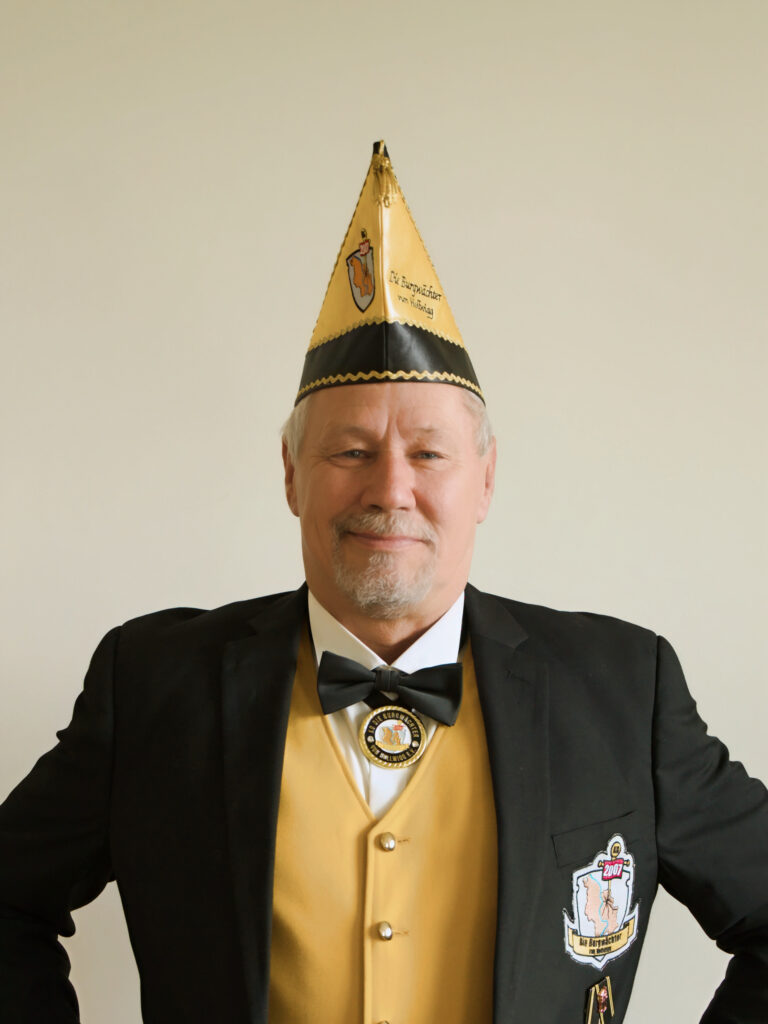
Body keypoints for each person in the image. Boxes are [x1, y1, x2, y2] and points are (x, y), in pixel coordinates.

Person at [1, 141, 766, 1024]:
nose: (390, 490)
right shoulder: (153, 683)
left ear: (485, 480)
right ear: (291, 473)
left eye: (429, 454)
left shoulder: (626, 689)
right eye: (351, 451)